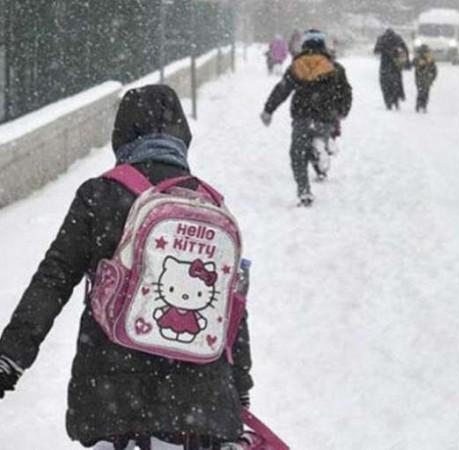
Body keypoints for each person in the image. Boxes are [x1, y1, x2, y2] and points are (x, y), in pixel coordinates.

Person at [0, 85, 253, 449]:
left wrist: (11, 356)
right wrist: (238, 390)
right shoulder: (210, 206)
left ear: (122, 135)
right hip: (200, 402)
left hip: (112, 396)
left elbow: (53, 279)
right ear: (182, 135)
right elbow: (232, 309)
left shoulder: (99, 195)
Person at [260, 29, 353, 207]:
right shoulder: (335, 68)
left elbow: (282, 89)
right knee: (317, 140)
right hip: (326, 117)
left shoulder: (297, 65)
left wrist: (268, 110)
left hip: (302, 116)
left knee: (297, 154)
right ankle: (322, 146)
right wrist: (342, 111)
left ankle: (304, 191)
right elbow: (345, 92)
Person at [374, 28, 410, 110]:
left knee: (385, 85)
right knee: (396, 83)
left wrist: (384, 50)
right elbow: (405, 50)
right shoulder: (398, 38)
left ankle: (388, 102)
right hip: (396, 65)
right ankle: (396, 99)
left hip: (385, 66)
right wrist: (406, 62)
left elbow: (376, 51)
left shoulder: (382, 39)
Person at [412, 44, 438, 113]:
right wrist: (419, 64)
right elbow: (413, 63)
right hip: (420, 79)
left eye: (427, 52)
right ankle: (419, 104)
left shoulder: (430, 60)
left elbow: (434, 70)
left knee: (426, 92)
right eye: (424, 52)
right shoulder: (418, 59)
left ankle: (423, 105)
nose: (426, 54)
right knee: (421, 92)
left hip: (427, 79)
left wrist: (432, 77)